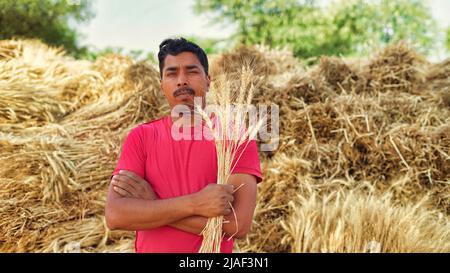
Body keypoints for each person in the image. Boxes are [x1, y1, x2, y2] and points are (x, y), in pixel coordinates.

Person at [105, 37, 262, 253]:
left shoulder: (234, 137)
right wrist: (196, 204)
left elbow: (238, 226)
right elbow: (115, 216)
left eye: (192, 71)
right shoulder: (141, 137)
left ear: (208, 80)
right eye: (171, 73)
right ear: (161, 85)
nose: (182, 81)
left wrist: (152, 203)